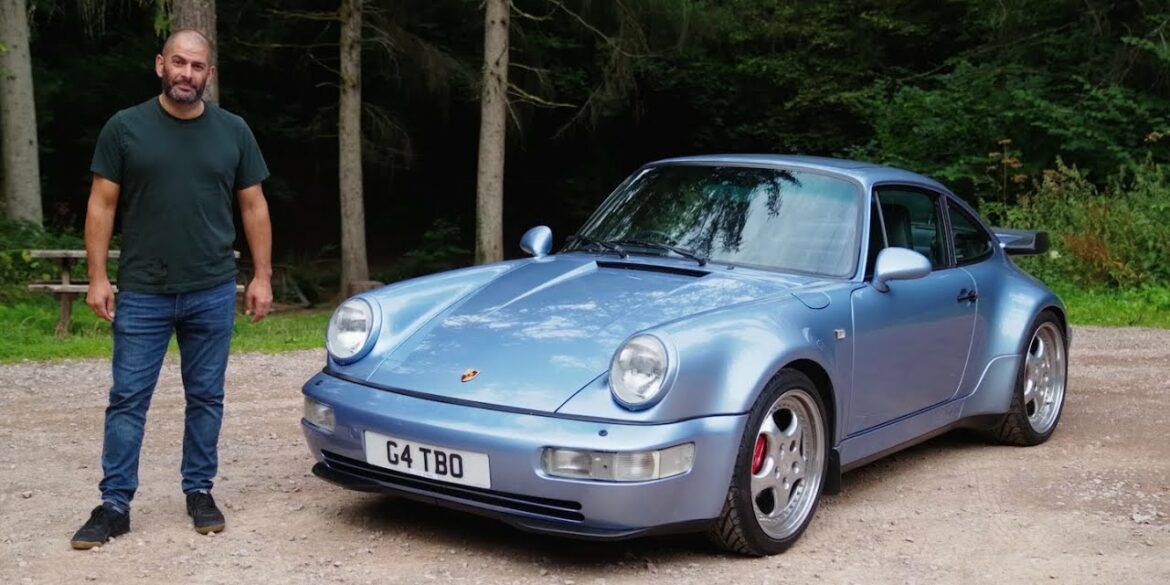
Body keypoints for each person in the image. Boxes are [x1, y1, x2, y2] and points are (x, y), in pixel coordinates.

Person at [69, 29, 273, 549]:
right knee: (128, 398)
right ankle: (115, 504)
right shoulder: (125, 128)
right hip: (143, 290)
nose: (187, 73)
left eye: (197, 66)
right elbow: (101, 205)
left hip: (211, 288)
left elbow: (253, 206)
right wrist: (96, 277)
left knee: (206, 397)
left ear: (210, 74)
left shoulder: (233, 131)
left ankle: (199, 490)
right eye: (178, 63)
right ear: (161, 64)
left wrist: (263, 275)